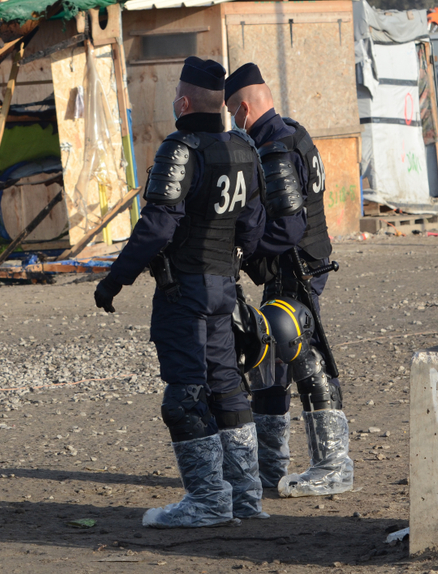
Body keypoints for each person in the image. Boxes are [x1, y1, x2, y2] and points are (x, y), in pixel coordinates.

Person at [94, 57, 267, 528]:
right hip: (224, 289)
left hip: (185, 292)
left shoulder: (180, 149)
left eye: (175, 95)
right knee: (227, 388)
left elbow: (157, 226)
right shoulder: (244, 149)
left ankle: (208, 502)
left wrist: (114, 280)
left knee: (186, 396)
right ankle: (245, 497)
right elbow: (253, 228)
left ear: (184, 103)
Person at [224, 63, 354, 498]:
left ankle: (333, 466)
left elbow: (289, 228)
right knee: (270, 359)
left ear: (244, 109)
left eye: (232, 113)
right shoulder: (293, 133)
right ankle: (270, 467)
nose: (232, 122)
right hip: (298, 263)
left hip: (297, 265)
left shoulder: (275, 148)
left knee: (303, 353)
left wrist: (243, 249)